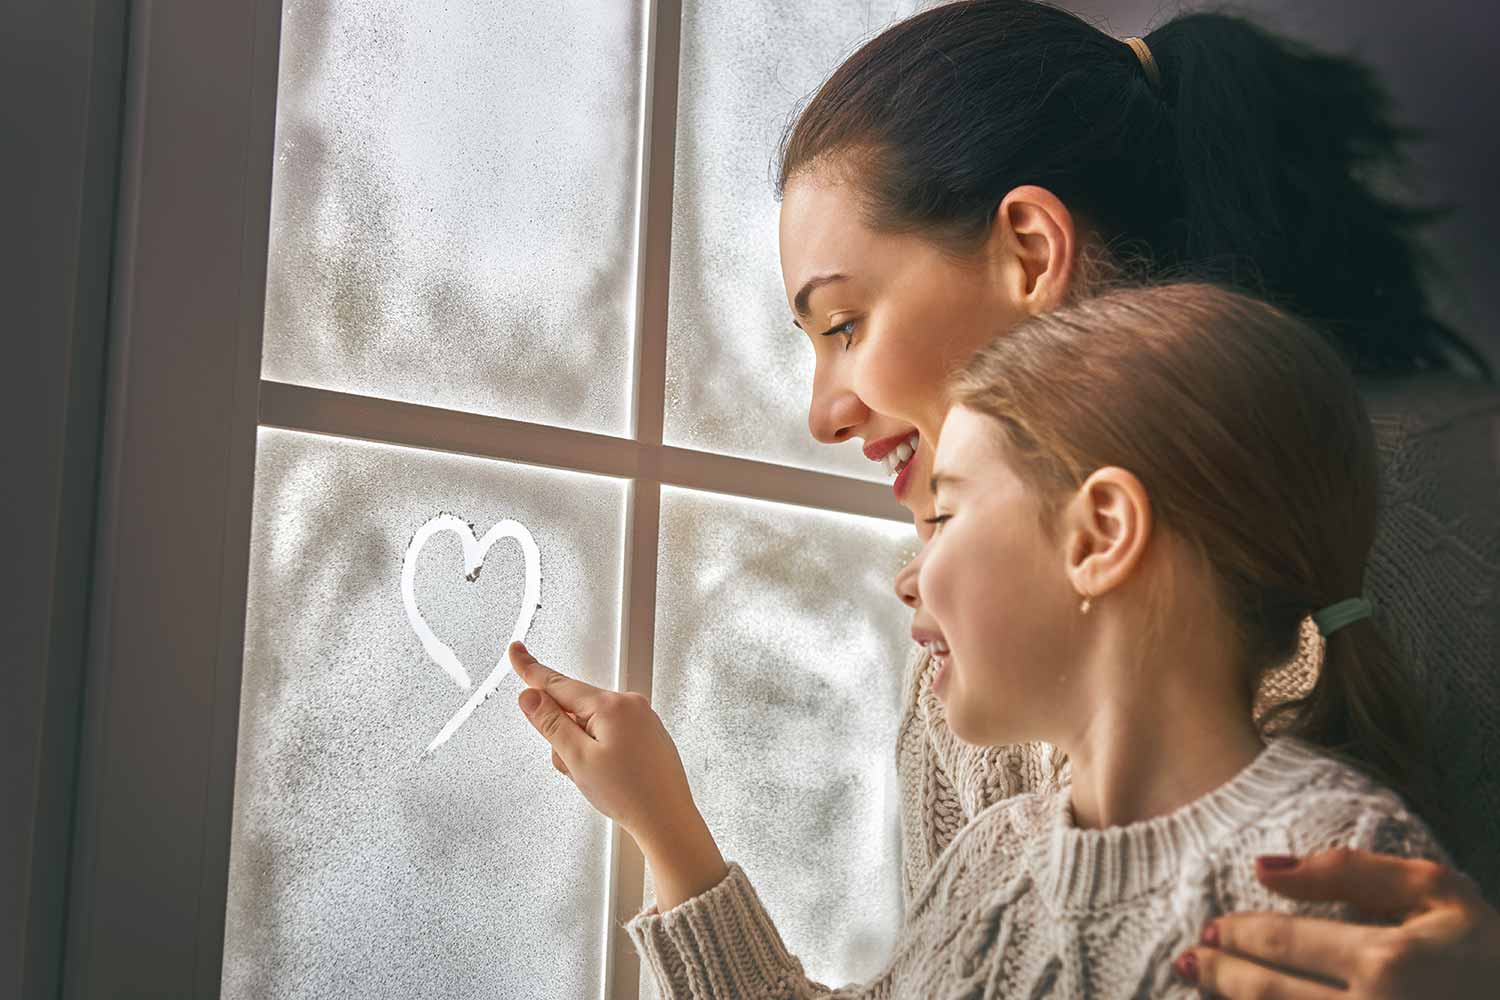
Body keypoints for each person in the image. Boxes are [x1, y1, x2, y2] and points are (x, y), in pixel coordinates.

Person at [770, 1, 1500, 993]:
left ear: (1031, 249)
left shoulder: (1448, 525)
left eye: (845, 323)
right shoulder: (964, 658)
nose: (824, 413)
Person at [509, 283, 1463, 997]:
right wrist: (662, 824)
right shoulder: (990, 860)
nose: (907, 575)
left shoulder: (1333, 868)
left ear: (1098, 537)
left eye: (946, 515)